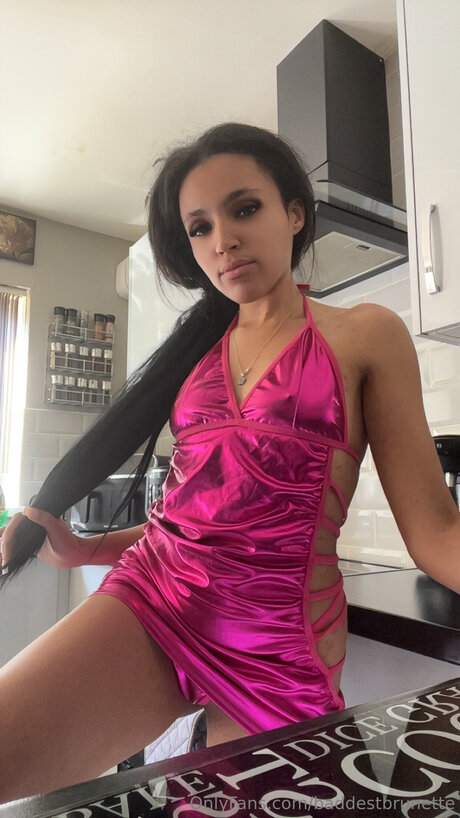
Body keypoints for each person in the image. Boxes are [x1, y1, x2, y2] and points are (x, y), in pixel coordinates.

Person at [0, 122, 459, 804]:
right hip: (158, 596)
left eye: (244, 209)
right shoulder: (195, 359)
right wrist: (87, 549)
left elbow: (437, 534)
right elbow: (190, 520)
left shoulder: (365, 333)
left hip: (277, 643)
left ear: (294, 213)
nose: (223, 240)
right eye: (200, 227)